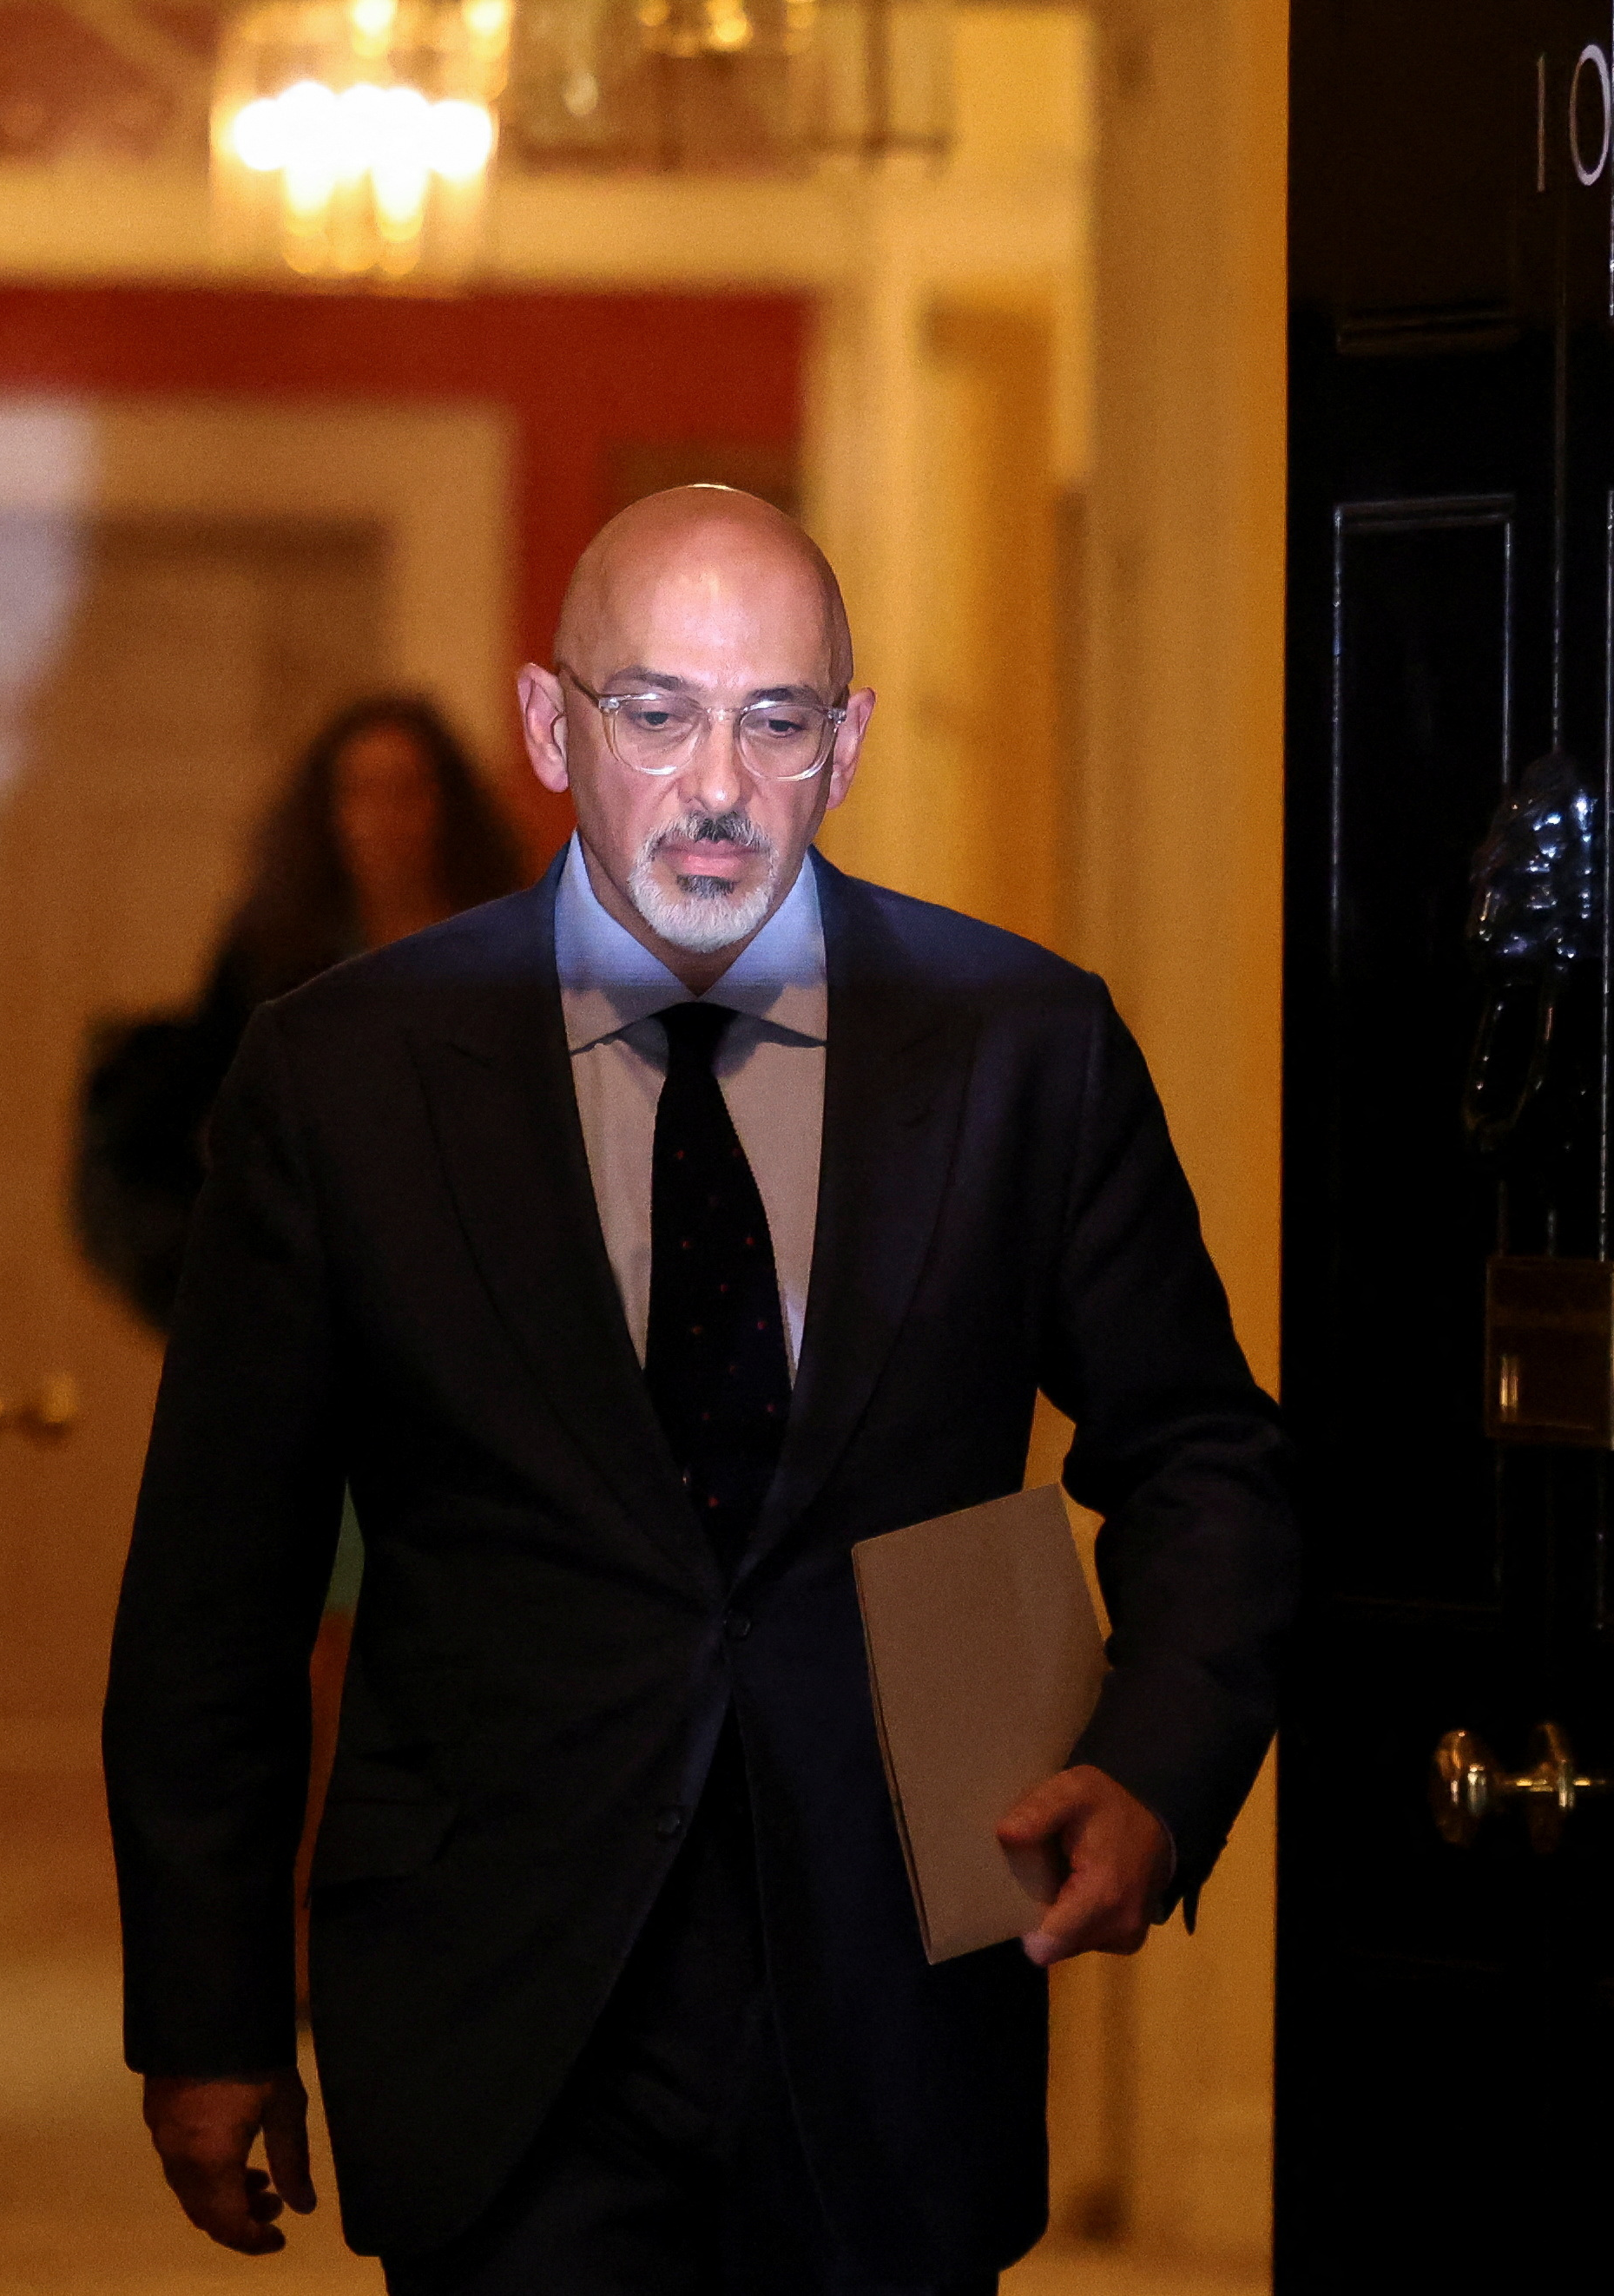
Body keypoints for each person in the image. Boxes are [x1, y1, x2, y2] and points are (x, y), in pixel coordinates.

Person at [105, 487, 1295, 2294]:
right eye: (654, 713)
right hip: (498, 1988)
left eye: (775, 718)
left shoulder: (1021, 1045)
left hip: (895, 1977)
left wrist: (1156, 1758)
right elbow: (218, 1580)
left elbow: (1205, 1453)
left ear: (850, 741)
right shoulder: (340, 1073)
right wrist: (205, 2002)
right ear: (546, 724)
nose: (716, 783)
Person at [75, 694, 526, 1330]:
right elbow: (184, 1118)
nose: (384, 819)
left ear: (446, 806)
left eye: (406, 791)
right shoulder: (274, 960)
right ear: (329, 812)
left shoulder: (511, 955)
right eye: (361, 794)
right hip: (316, 1302)